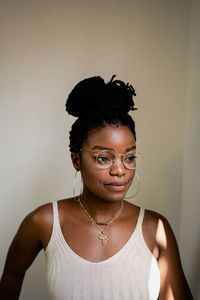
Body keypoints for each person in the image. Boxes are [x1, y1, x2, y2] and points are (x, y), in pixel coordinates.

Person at [0, 75, 193, 300]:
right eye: (104, 158)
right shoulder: (45, 221)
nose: (120, 170)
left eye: (129, 157)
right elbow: (12, 276)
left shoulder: (155, 228)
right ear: (76, 160)